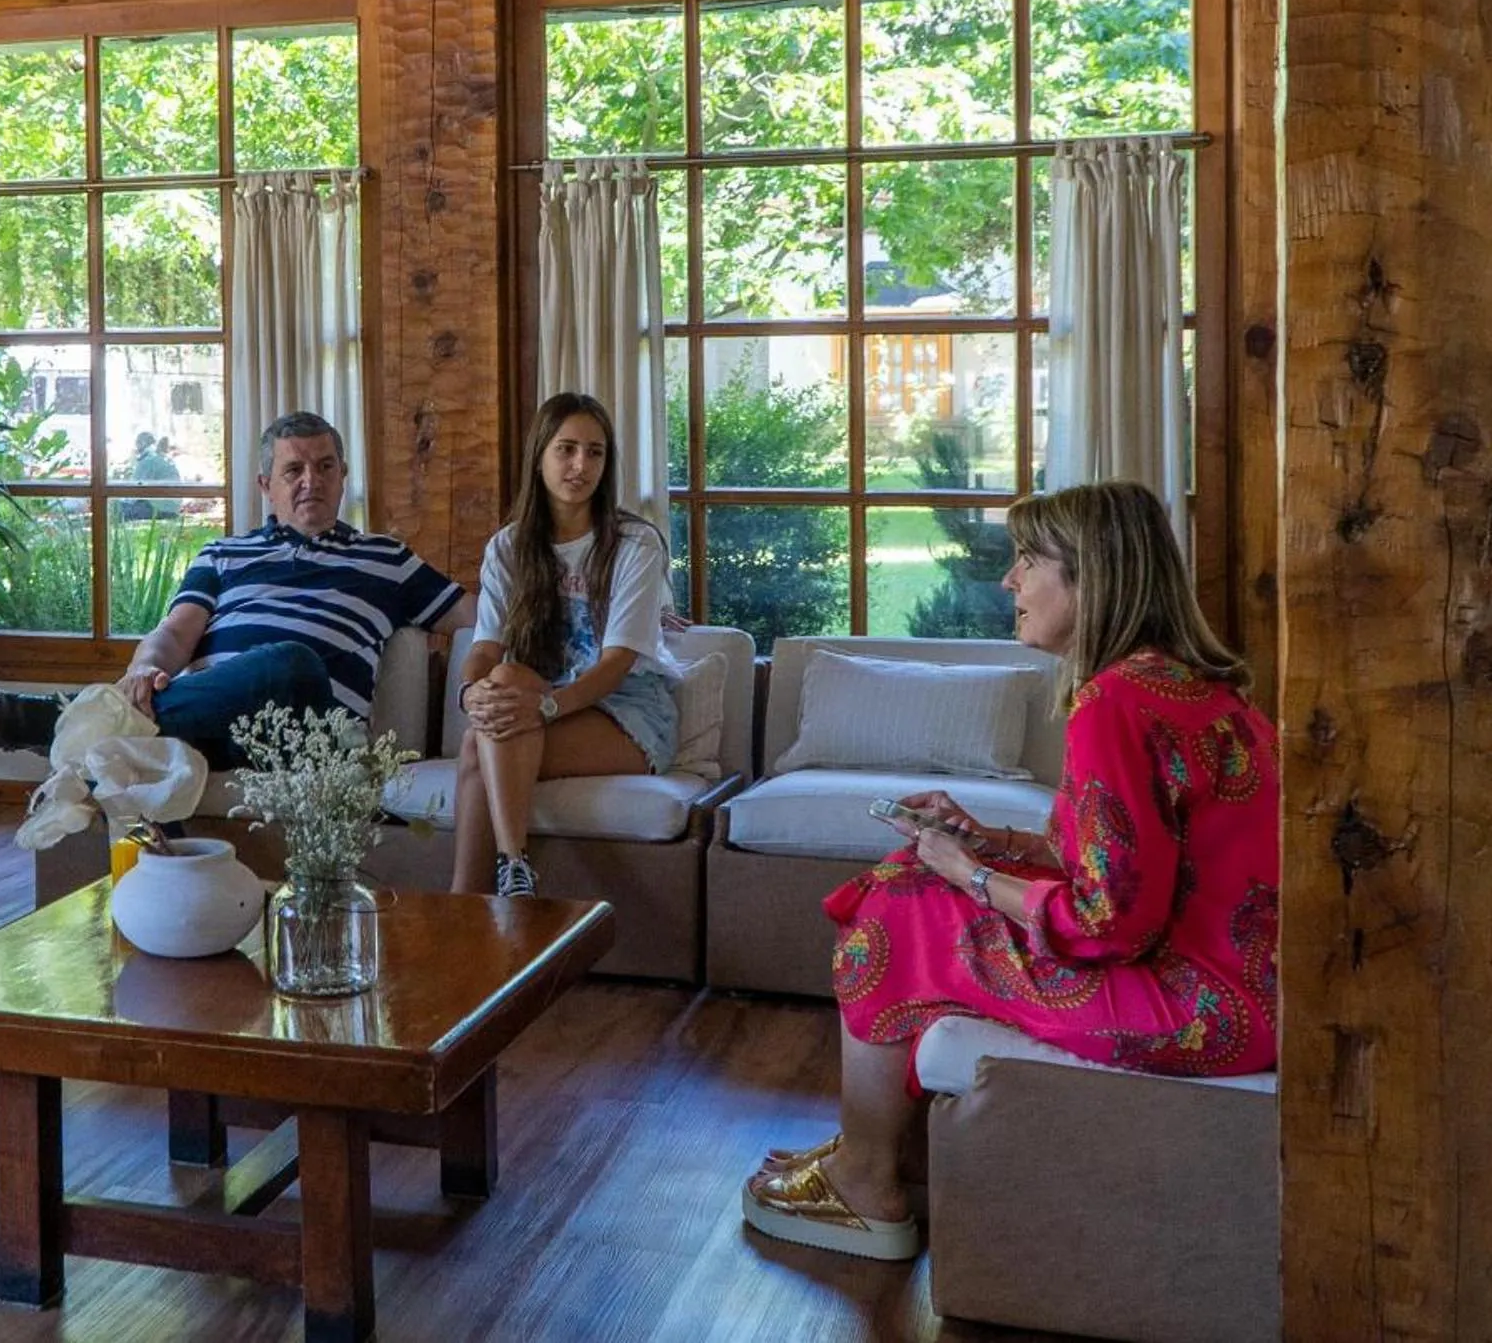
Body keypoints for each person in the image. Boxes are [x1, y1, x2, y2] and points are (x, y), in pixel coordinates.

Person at [742, 480, 1278, 1261]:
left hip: (1190, 1006)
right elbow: (1143, 863)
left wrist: (969, 872)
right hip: (1243, 988)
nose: (1009, 581)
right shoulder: (1200, 689)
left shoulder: (1113, 702)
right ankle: (878, 1148)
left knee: (892, 906)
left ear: (1090, 576)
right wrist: (993, 838)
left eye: (1029, 560)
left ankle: (866, 1179)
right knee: (911, 877)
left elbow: (1109, 923)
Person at [0, 411, 474, 766]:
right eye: (294, 470)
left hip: (312, 734)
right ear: (266, 485)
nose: (311, 481)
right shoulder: (223, 554)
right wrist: (146, 666)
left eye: (326, 467)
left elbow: (481, 616)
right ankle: (110, 726)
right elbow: (177, 632)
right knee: (260, 668)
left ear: (344, 477)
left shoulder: (386, 558)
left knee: (291, 662)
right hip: (220, 731)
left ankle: (81, 722)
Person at [449, 393, 678, 899]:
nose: (581, 465)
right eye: (567, 449)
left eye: (595, 453)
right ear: (540, 456)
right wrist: (470, 694)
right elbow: (486, 648)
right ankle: (510, 877)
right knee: (499, 686)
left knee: (476, 744)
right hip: (542, 700)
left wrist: (544, 709)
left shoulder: (634, 543)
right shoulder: (509, 546)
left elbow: (618, 663)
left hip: (628, 711)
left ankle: (476, 893)